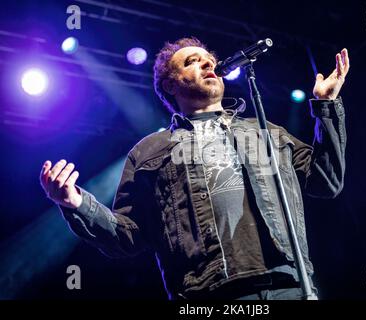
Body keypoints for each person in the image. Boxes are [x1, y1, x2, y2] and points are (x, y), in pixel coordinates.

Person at [39, 37, 349, 300]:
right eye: (192, 61)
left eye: (209, 60)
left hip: (289, 287)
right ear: (171, 84)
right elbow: (127, 236)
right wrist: (76, 203)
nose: (207, 64)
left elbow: (326, 181)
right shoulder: (150, 151)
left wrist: (326, 106)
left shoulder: (268, 132)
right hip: (209, 294)